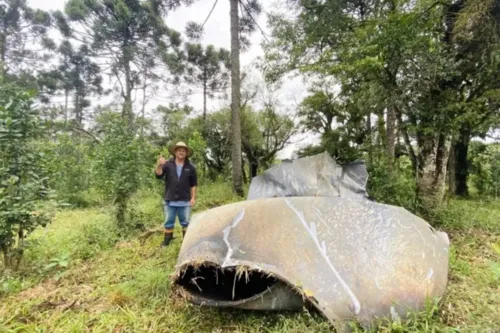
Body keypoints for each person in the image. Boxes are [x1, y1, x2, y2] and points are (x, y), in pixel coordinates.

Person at [155, 141, 197, 247]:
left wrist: (193, 198)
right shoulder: (168, 164)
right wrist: (159, 165)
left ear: (186, 153)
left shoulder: (191, 167)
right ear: (175, 152)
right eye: (179, 150)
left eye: (183, 151)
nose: (181, 152)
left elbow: (193, 184)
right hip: (169, 200)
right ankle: (166, 242)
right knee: (168, 222)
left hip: (185, 200)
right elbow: (159, 175)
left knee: (186, 223)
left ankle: (186, 243)